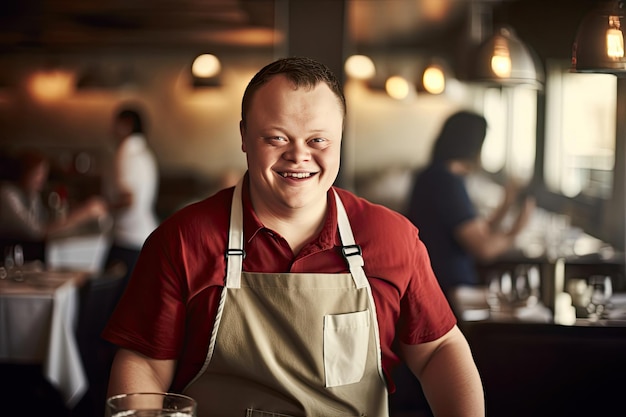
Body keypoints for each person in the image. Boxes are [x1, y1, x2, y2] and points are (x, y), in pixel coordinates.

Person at [103, 57, 484, 416]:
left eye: (318, 140)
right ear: (244, 136)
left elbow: (439, 350)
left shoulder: (391, 237)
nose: (299, 156)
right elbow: (146, 365)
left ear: (339, 139)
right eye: (277, 138)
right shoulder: (182, 240)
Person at [406, 111, 535, 302]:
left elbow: (475, 231)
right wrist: (516, 231)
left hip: (436, 285)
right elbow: (484, 249)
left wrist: (506, 205)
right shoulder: (446, 182)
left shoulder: (433, 175)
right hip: (449, 291)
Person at [0, 149, 107, 261]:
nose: (41, 178)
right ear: (23, 172)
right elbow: (37, 232)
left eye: (44, 173)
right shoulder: (7, 194)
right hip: (8, 262)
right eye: (37, 173)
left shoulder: (33, 195)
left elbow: (48, 225)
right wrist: (82, 214)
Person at [103, 105, 159, 284]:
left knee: (112, 307)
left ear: (126, 124)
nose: (111, 129)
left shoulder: (126, 153)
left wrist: (101, 208)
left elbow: (128, 199)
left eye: (115, 123)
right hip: (143, 237)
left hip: (127, 239)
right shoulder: (144, 153)